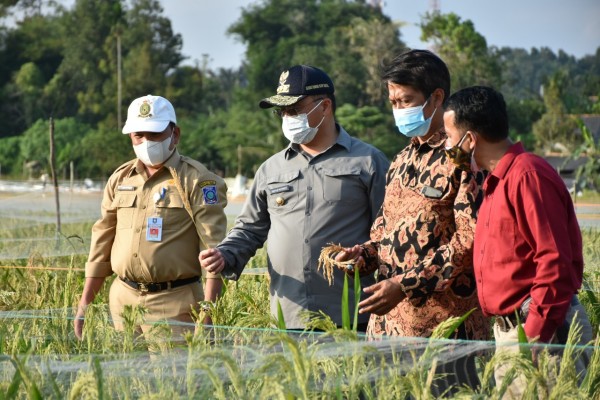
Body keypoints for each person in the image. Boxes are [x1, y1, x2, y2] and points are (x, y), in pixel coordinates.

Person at [200, 65, 390, 330]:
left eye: (295, 109)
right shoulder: (271, 169)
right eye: (283, 112)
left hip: (352, 313)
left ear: (324, 106)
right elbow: (250, 228)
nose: (287, 117)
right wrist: (225, 254)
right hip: (289, 314)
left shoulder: (368, 162)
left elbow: (391, 232)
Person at [443, 85, 593, 397]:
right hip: (514, 332)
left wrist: (534, 337)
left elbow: (554, 263)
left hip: (540, 333)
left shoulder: (527, 175)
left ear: (470, 140)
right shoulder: (497, 181)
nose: (447, 146)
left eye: (449, 138)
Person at [336, 50, 489, 340]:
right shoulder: (401, 159)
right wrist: (361, 256)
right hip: (387, 329)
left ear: (436, 98)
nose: (399, 109)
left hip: (445, 330)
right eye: (394, 102)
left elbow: (470, 240)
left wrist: (404, 285)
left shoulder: (462, 157)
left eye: (406, 100)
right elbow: (384, 234)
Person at [74, 95, 228, 340]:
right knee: (125, 374)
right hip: (122, 299)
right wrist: (85, 302)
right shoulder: (121, 178)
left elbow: (213, 250)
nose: (146, 142)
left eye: (154, 134)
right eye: (138, 135)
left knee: (171, 377)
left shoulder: (198, 180)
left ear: (175, 134)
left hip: (175, 303)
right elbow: (102, 239)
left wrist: (208, 314)